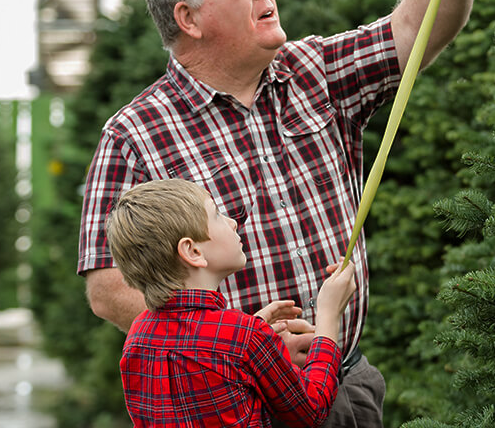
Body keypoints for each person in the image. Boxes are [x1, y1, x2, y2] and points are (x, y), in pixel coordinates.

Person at [78, 0, 495, 425]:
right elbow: (109, 288)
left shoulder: (312, 72)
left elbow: (414, 29)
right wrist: (239, 344)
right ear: (189, 18)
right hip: (239, 403)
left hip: (345, 382)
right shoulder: (135, 134)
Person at [106, 178, 357, 427]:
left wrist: (254, 329)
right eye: (216, 215)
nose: (233, 223)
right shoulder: (243, 336)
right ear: (193, 252)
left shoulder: (138, 335)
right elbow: (312, 409)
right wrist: (329, 315)